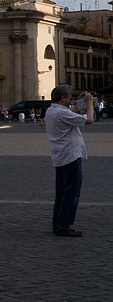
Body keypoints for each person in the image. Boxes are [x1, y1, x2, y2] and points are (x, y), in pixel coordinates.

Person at [46, 85, 94, 237]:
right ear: (63, 98)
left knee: (61, 193)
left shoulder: (51, 110)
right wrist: (90, 102)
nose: (71, 100)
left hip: (60, 156)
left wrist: (80, 101)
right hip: (70, 156)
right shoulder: (61, 112)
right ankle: (63, 226)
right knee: (71, 193)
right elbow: (89, 120)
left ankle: (58, 224)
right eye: (69, 98)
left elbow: (71, 113)